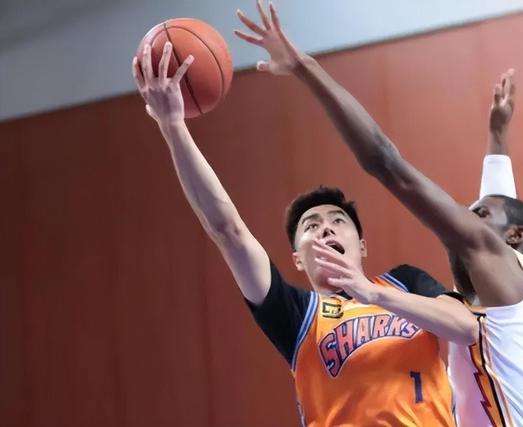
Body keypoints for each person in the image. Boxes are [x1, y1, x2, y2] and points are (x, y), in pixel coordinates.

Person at [235, 4, 523, 426]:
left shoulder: (489, 257)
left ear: (512, 236)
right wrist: (497, 137)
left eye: (476, 214)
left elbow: (384, 161)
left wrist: (305, 66)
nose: (461, 218)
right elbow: (501, 209)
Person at [132, 36, 476, 426]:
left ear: (362, 245)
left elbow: (466, 327)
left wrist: (372, 293)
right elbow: (228, 230)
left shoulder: (405, 281)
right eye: (312, 226)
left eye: (337, 221)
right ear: (298, 259)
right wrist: (173, 127)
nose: (325, 228)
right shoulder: (296, 314)